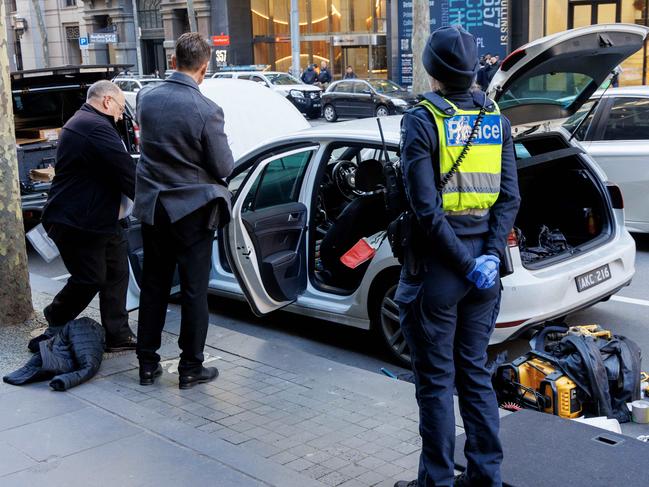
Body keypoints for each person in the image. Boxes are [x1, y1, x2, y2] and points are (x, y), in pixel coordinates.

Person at [393, 26, 520, 487]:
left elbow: (426, 211)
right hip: (485, 274)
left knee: (435, 383)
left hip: (439, 272)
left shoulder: (423, 120)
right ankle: (486, 478)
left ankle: (437, 483)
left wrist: (464, 263)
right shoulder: (495, 118)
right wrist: (487, 256)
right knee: (475, 375)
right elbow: (509, 198)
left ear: (432, 71)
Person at [133, 32, 234, 389]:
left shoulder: (146, 97)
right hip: (191, 212)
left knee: (154, 285)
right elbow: (223, 166)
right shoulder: (206, 110)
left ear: (174, 60)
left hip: (153, 207)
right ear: (204, 68)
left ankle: (147, 363)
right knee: (194, 291)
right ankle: (191, 366)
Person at [35, 80, 137, 353]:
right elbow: (128, 173)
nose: (120, 115)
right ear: (106, 101)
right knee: (91, 277)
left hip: (101, 219)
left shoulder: (87, 122)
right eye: (120, 108)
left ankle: (118, 334)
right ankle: (56, 315)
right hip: (80, 221)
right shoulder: (94, 127)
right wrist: (154, 205)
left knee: (117, 273)